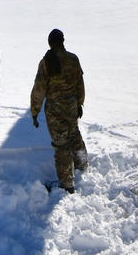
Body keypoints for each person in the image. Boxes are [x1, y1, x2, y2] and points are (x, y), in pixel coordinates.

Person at [30, 28, 87, 193]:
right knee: (74, 134)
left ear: (50, 43)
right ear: (63, 41)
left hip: (55, 108)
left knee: (61, 144)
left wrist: (35, 111)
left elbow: (39, 89)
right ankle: (82, 165)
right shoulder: (73, 59)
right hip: (71, 104)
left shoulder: (46, 61)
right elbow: (79, 84)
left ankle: (67, 183)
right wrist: (79, 104)